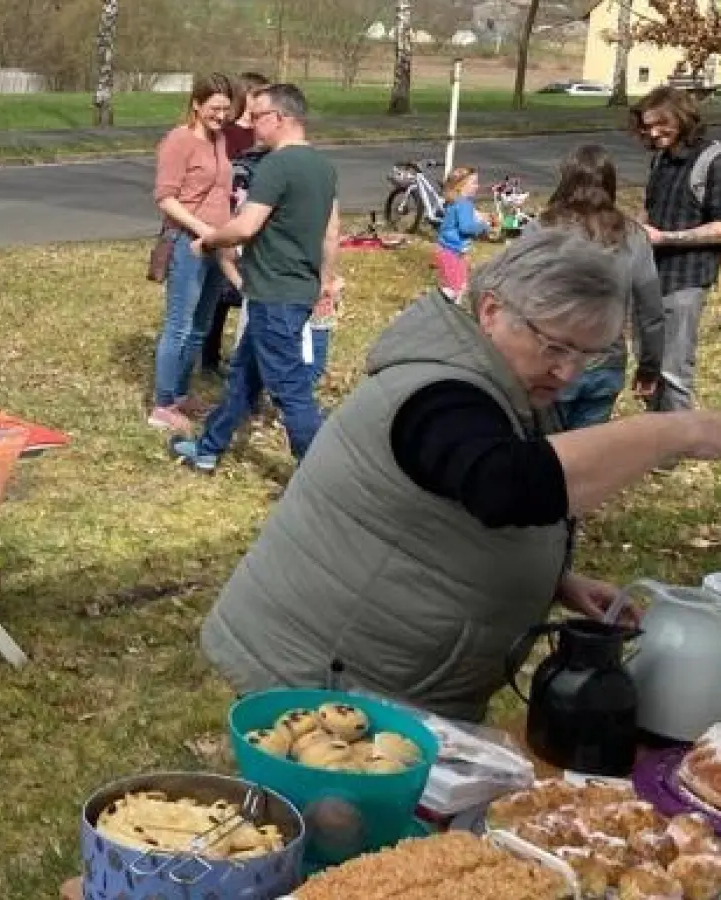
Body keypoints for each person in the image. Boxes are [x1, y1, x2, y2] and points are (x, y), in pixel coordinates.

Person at [199, 228, 721, 722]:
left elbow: (439, 515)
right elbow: (502, 485)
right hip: (325, 678)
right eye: (555, 347)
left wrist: (554, 583)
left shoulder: (502, 381)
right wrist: (675, 433)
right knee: (323, 817)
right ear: (492, 311)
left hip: (384, 680)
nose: (568, 373)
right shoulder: (437, 392)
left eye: (587, 355)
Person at [170, 84, 340, 472]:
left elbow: (246, 227)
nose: (249, 125)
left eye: (257, 116)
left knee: (290, 389)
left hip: (275, 294)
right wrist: (325, 282)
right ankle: (209, 448)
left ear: (281, 118)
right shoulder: (323, 167)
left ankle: (318, 475)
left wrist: (209, 238)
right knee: (244, 379)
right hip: (294, 289)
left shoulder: (276, 166)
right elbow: (332, 233)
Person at [535, 145, 664, 431]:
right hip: (606, 363)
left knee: (547, 452)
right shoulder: (633, 236)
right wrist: (650, 366)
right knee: (587, 454)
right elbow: (652, 311)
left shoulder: (542, 229)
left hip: (551, 362)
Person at [149, 72, 237, 431]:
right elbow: (166, 197)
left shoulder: (219, 140)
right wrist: (202, 230)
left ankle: (182, 393)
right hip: (189, 243)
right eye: (215, 108)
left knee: (201, 326)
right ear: (196, 105)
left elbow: (221, 193)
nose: (221, 115)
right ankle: (163, 404)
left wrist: (228, 235)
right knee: (180, 326)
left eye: (226, 109)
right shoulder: (179, 140)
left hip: (217, 245)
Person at [631, 86, 721, 413]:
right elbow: (650, 210)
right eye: (646, 127)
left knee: (674, 368)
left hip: (686, 279)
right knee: (648, 362)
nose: (653, 133)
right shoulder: (661, 159)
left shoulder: (714, 159)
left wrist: (667, 238)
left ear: (681, 118)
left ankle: (676, 444)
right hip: (649, 275)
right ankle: (656, 432)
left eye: (660, 125)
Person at [203, 71, 271, 376]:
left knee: (241, 291)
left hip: (255, 214)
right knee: (220, 292)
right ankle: (209, 355)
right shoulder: (229, 134)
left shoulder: (262, 134)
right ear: (249, 95)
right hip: (232, 212)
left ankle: (244, 355)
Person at [435, 167, 489, 300]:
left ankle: (446, 305)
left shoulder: (455, 201)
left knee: (456, 284)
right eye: (474, 182)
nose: (478, 186)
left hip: (445, 249)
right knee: (457, 288)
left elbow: (460, 218)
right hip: (453, 251)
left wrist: (478, 216)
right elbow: (466, 228)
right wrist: (483, 226)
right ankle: (444, 309)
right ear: (461, 186)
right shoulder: (464, 204)